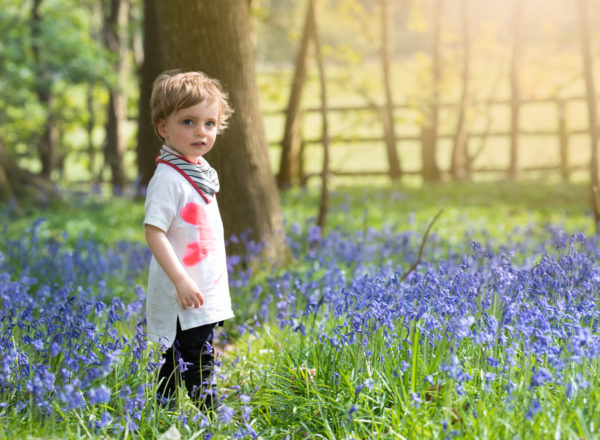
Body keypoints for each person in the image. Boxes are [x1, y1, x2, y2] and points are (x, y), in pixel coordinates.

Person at [144, 70, 234, 409]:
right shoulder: (169, 178)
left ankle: (165, 418)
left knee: (185, 358)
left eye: (209, 123)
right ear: (163, 127)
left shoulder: (200, 173)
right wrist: (180, 279)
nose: (201, 131)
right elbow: (154, 231)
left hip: (201, 291)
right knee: (193, 361)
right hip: (182, 294)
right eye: (189, 122)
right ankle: (209, 422)